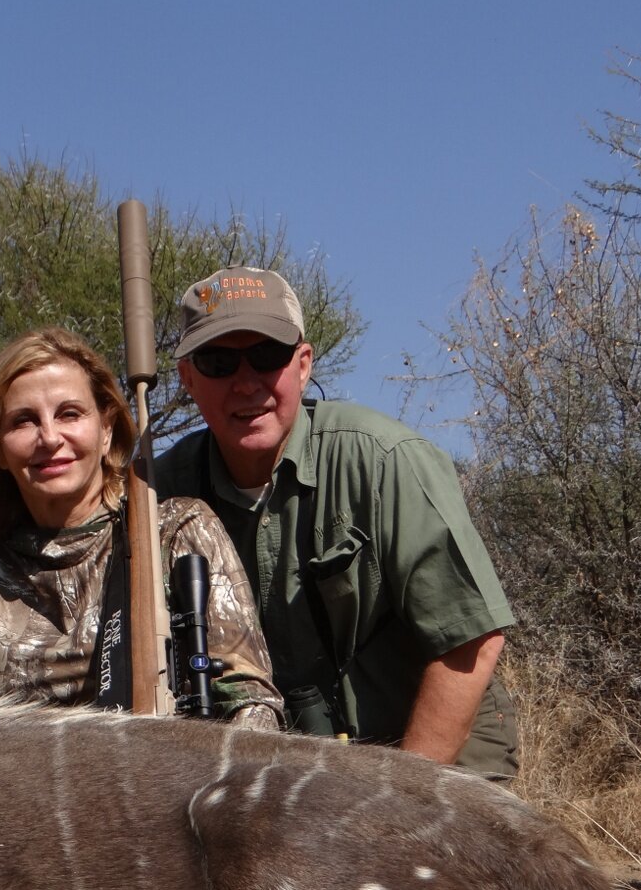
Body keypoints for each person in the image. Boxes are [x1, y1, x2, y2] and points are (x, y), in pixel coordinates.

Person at [154, 266, 518, 778]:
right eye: (218, 362)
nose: (245, 382)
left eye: (267, 355)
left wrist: (402, 799)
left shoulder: (385, 459)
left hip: (434, 762)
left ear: (303, 364)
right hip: (294, 778)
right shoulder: (159, 494)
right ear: (188, 379)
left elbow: (470, 641)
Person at [0, 326, 282, 727]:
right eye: (23, 421)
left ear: (106, 431)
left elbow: (251, 703)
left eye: (69, 414)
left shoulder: (177, 531)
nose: (49, 437)